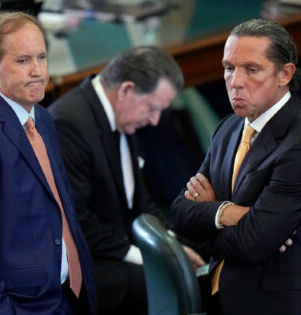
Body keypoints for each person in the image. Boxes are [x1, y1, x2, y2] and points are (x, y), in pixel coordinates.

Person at [172, 19, 301, 315]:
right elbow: (180, 213)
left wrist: (211, 211)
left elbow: (251, 244)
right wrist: (231, 214)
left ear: (284, 74)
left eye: (251, 69)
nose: (235, 81)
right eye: (229, 68)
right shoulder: (229, 127)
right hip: (223, 294)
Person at [0, 12, 95, 315]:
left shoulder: (43, 119)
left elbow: (60, 210)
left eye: (41, 57)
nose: (37, 71)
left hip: (67, 294)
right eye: (23, 61)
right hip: (21, 306)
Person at [48, 46, 205, 315]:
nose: (155, 121)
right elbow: (76, 223)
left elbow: (139, 202)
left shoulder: (121, 115)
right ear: (126, 90)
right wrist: (150, 257)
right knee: (171, 284)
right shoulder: (68, 125)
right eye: (152, 108)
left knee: (208, 255)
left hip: (117, 243)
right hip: (88, 263)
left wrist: (171, 244)